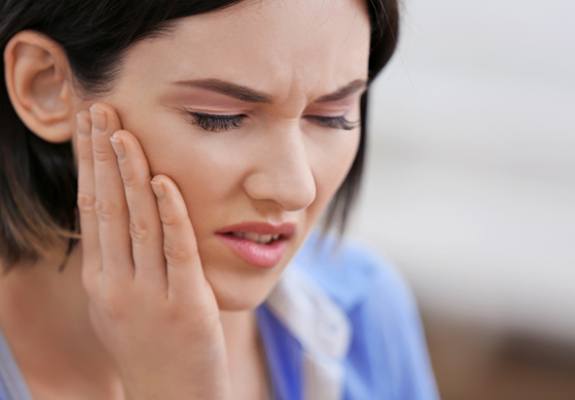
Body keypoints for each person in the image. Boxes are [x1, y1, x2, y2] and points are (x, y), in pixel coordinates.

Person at [0, 0, 439, 399]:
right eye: (219, 118)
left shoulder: (366, 314)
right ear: (45, 85)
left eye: (332, 118)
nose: (295, 188)